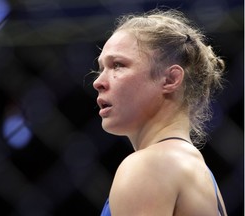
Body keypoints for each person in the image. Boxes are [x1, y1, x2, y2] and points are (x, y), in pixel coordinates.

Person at [92, 9, 227, 216]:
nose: (98, 82)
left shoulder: (148, 166)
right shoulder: (201, 174)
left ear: (171, 79)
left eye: (118, 65)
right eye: (101, 68)